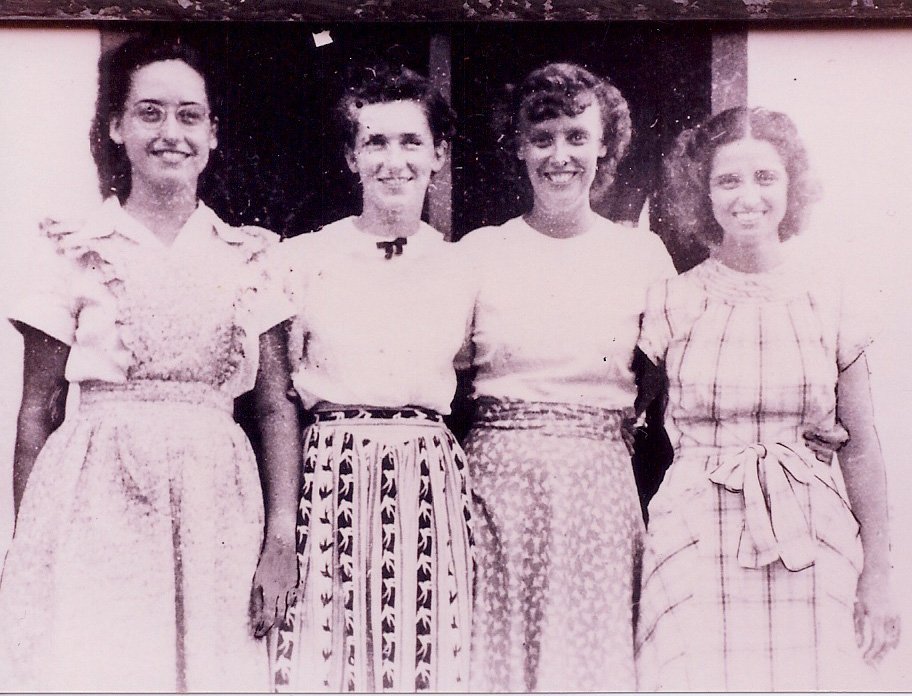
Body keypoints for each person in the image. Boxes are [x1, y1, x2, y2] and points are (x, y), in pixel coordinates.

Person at [0, 34, 300, 691]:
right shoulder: (75, 250)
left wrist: (281, 540)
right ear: (116, 126)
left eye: (190, 115)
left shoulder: (249, 257)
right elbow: (36, 411)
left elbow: (276, 406)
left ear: (214, 133)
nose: (172, 133)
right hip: (93, 499)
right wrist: (29, 547)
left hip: (214, 506)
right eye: (150, 112)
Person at [634, 106, 900, 691]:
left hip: (809, 532)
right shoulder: (672, 302)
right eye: (728, 180)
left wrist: (878, 576)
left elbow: (860, 451)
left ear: (792, 186)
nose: (746, 196)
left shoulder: (829, 298)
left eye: (765, 178)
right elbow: (625, 424)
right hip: (693, 532)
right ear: (703, 193)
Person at [458, 62, 676, 691]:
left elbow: (678, 374)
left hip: (599, 487)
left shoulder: (640, 255)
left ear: (605, 144)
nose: (560, 155)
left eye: (577, 136)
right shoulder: (479, 252)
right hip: (494, 487)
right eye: (543, 136)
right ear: (519, 147)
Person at [269, 63, 476, 692]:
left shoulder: (464, 266)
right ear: (351, 158)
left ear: (438, 154)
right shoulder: (299, 258)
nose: (395, 160)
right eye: (374, 142)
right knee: (321, 662)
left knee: (426, 663)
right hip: (328, 476)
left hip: (427, 480)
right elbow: (275, 401)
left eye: (412, 141)